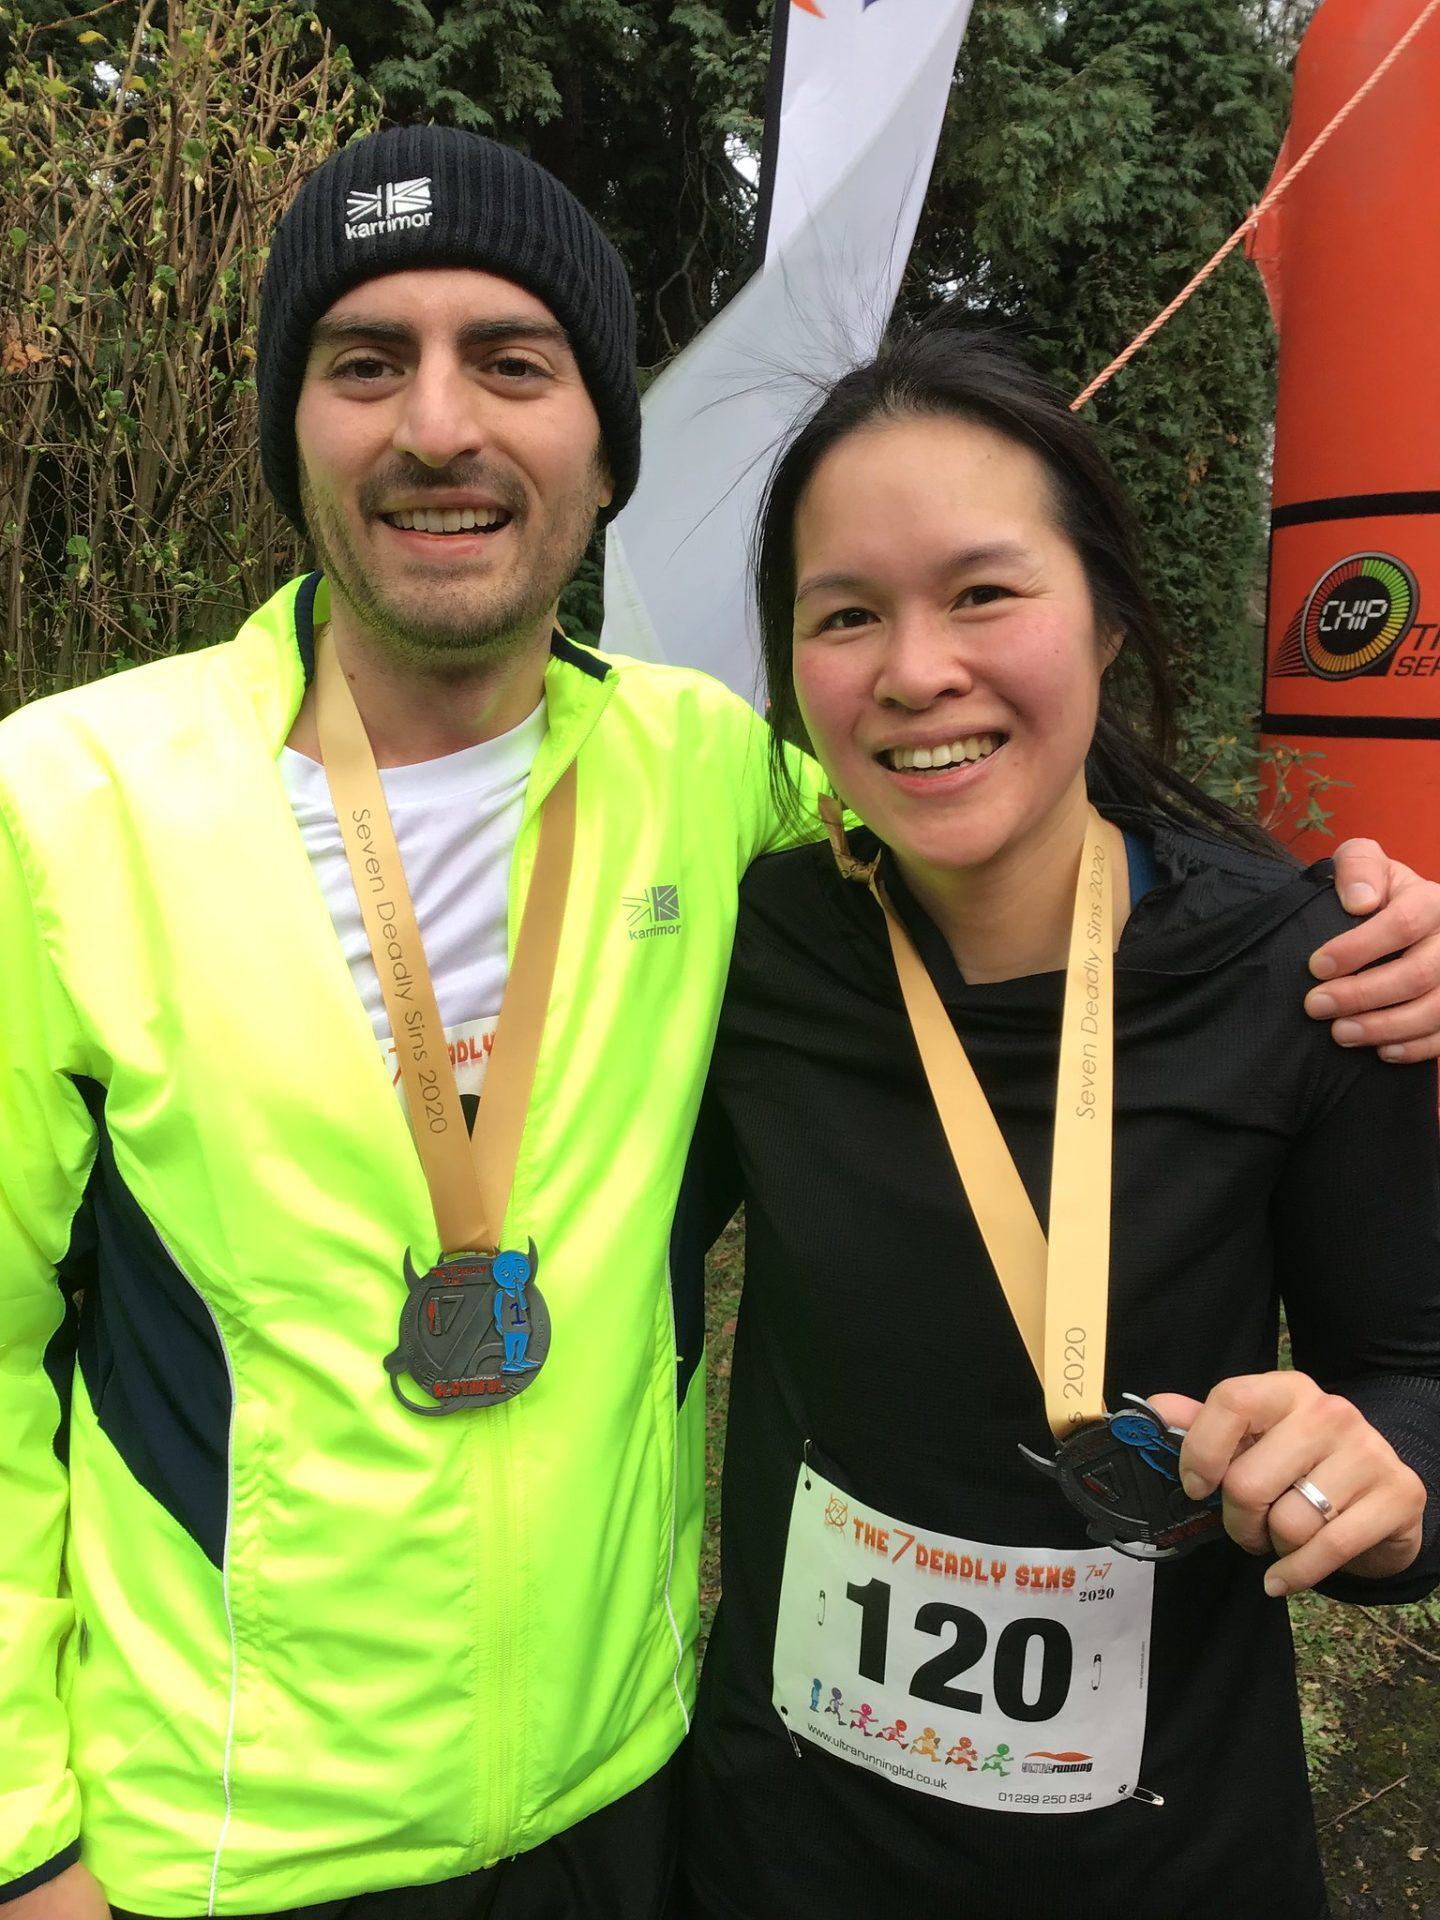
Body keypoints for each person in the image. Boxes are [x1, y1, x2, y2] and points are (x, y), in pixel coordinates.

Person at [0, 127, 1433, 1920]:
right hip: (223, 1854)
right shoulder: (59, 807)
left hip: (629, 1799)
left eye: (512, 363)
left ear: (607, 449)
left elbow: (989, 808)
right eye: (363, 364)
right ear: (291, 432)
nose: (437, 424)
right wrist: (25, 1840)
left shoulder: (708, 786)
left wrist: (1377, 916)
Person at [678, 323, 1440, 1920]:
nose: (914, 671)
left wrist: (1385, 1487)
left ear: (1105, 616)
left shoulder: (1310, 975)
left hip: (1163, 1865)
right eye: (845, 614)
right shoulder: (756, 950)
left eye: (983, 591)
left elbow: (1415, 1376)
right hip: (784, 1852)